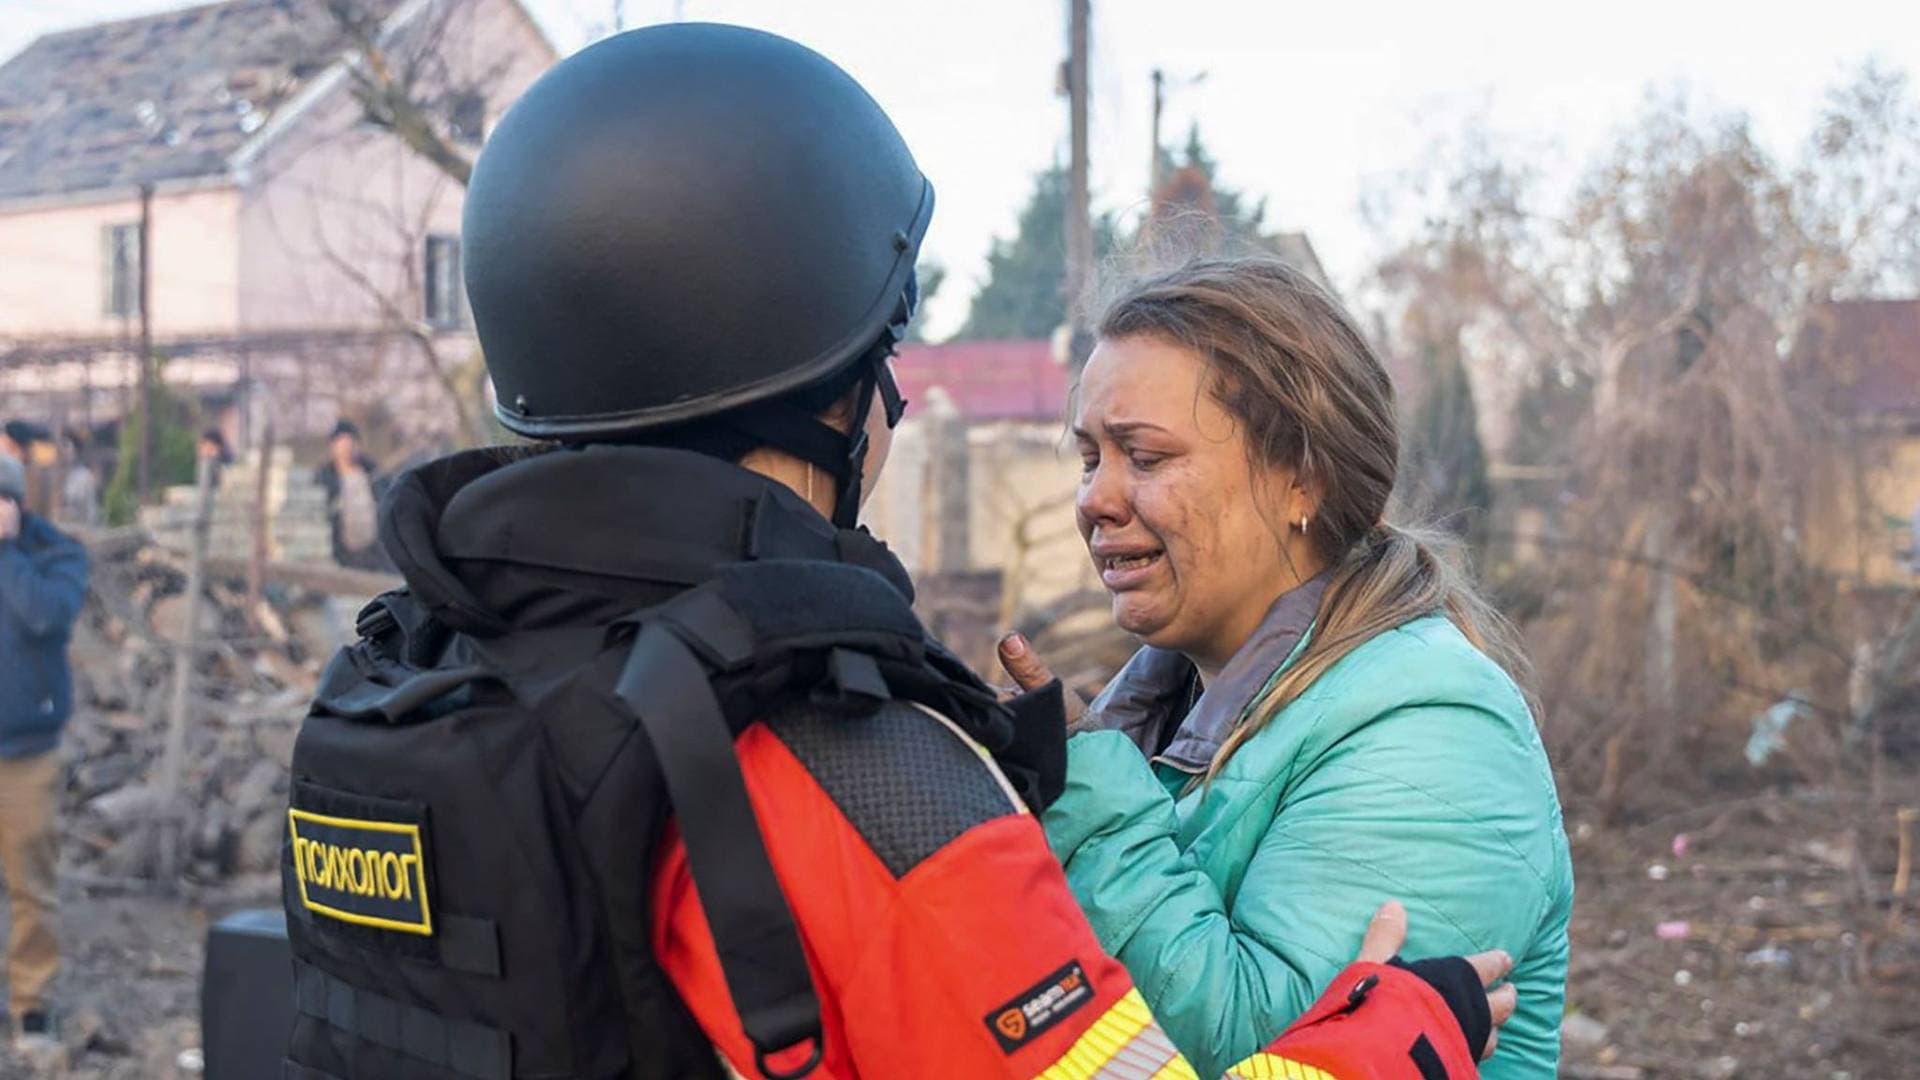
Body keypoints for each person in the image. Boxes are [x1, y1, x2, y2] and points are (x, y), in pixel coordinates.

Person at [279, 25, 1510, 1080]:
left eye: (1144, 454)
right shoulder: (860, 776)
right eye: (887, 360)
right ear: (835, 395)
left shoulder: (405, 692)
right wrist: (1394, 1036)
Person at [998, 257, 1574, 1078]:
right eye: (1091, 458)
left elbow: (1273, 1051)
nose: (1094, 498)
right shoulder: (1159, 716)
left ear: (1303, 479)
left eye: (1145, 457)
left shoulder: (1436, 730)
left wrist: (1086, 801)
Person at [0, 453, 89, 1054]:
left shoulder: (56, 553)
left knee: (32, 885)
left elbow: (44, 617)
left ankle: (32, 1006)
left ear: (15, 502)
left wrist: (7, 553)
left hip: (26, 754)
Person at [312, 419, 385, 570]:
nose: (347, 448)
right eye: (341, 443)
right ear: (333, 446)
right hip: (339, 555)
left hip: (374, 555)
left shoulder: (373, 474)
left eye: (351, 442)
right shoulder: (324, 478)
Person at [59, 430, 99, 529]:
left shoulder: (85, 477)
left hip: (80, 529)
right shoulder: (58, 475)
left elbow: (91, 512)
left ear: (76, 451)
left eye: (66, 446)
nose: (63, 451)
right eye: (62, 446)